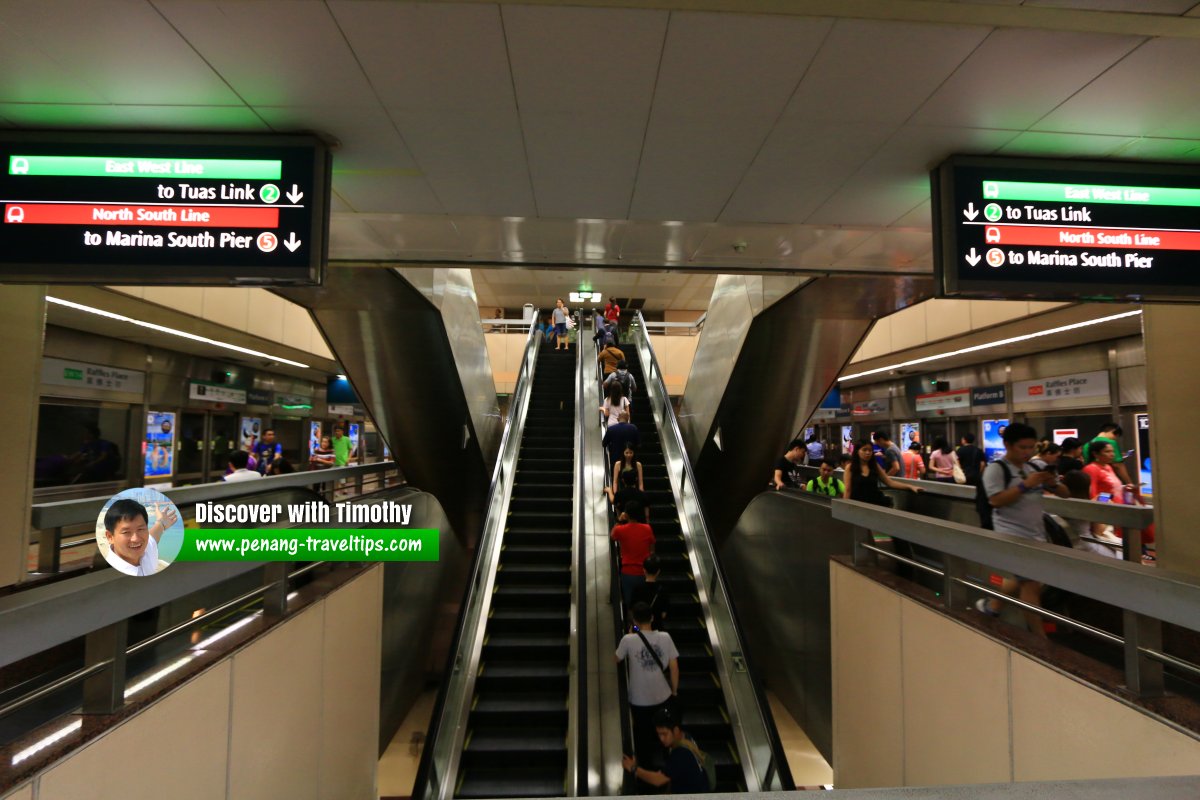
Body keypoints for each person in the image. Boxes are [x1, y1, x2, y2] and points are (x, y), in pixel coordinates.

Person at [976, 422, 1069, 636]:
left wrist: (1051, 483)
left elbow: (1065, 493)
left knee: (1022, 579)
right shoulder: (996, 469)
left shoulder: (1034, 468)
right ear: (1008, 445)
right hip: (1011, 535)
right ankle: (1039, 638)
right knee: (1031, 584)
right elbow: (996, 501)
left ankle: (992, 606)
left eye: (1031, 447)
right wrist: (1025, 485)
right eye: (1022, 447)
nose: (1027, 452)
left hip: (1036, 534)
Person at [615, 602, 678, 770]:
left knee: (643, 739)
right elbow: (674, 667)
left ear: (634, 621)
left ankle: (645, 773)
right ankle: (669, 768)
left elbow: (616, 659)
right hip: (663, 697)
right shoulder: (665, 637)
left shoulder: (628, 640)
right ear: (652, 617)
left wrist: (629, 637)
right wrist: (674, 691)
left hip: (638, 701)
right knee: (666, 734)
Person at [622, 706, 710, 794]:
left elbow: (658, 780)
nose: (661, 739)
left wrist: (633, 768)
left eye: (664, 734)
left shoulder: (681, 753)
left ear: (675, 730)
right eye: (659, 734)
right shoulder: (686, 737)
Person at [102, 497, 178, 577]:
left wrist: (161, 522)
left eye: (140, 529)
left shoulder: (146, 548)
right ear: (110, 537)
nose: (136, 539)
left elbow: (154, 535)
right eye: (126, 532)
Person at [1058, 470, 1121, 556]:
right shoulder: (1087, 508)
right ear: (1086, 487)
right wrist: (1102, 510)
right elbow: (1098, 531)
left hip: (1066, 544)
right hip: (1086, 547)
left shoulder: (1057, 501)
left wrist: (1093, 503)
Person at [844, 441, 920, 506]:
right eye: (864, 450)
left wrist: (909, 486)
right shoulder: (850, 468)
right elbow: (848, 490)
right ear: (857, 451)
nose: (867, 452)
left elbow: (890, 482)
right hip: (858, 505)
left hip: (875, 504)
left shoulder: (874, 466)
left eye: (870, 450)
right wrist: (845, 507)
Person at [611, 501, 655, 613]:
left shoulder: (620, 529)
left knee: (631, 605)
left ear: (627, 514)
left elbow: (612, 535)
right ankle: (645, 627)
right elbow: (652, 548)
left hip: (628, 573)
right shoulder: (647, 528)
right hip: (645, 573)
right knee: (645, 604)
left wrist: (620, 520)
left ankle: (634, 628)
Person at [1083, 423, 1139, 501]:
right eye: (1116, 435)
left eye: (1112, 452)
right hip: (1106, 496)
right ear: (1112, 431)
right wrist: (1129, 483)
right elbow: (1118, 465)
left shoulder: (1087, 445)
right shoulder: (1110, 443)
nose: (1112, 454)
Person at [631, 554, 669, 630]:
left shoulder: (637, 588)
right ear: (658, 572)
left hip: (639, 628)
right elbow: (663, 614)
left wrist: (635, 628)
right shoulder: (662, 590)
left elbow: (632, 610)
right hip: (657, 627)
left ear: (644, 570)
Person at [1083, 440, 1126, 506]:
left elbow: (1110, 488)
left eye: (1113, 451)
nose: (1112, 454)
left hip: (1118, 507)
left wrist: (1125, 488)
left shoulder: (1108, 467)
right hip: (1106, 509)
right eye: (1107, 451)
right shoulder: (1091, 469)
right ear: (1095, 454)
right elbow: (1092, 495)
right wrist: (1107, 502)